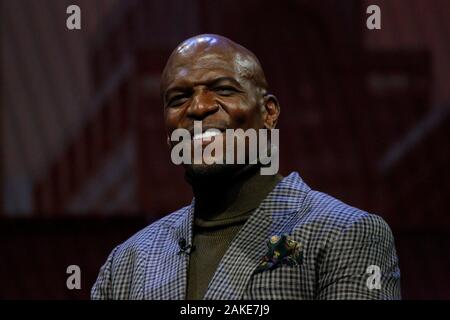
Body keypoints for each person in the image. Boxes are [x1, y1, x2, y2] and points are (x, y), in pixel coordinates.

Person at [91, 34, 401, 300]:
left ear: (268, 113)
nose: (198, 108)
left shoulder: (347, 234)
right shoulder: (127, 265)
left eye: (224, 90)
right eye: (179, 98)